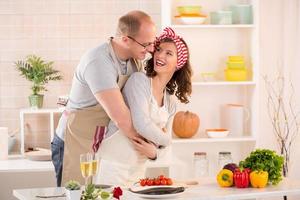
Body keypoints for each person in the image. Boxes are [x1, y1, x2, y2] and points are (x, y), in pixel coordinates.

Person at [51, 10, 158, 186]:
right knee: (75, 193)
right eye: (146, 44)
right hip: (75, 140)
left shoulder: (134, 60)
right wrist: (153, 148)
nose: (151, 49)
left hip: (100, 140)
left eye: (152, 43)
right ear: (125, 39)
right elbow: (122, 119)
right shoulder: (99, 62)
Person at [95, 27, 192, 186]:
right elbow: (142, 124)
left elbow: (164, 151)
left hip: (138, 170)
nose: (160, 55)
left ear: (178, 63)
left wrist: (154, 153)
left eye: (169, 53)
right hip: (112, 166)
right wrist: (165, 140)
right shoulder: (139, 81)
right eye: (159, 50)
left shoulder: (170, 103)